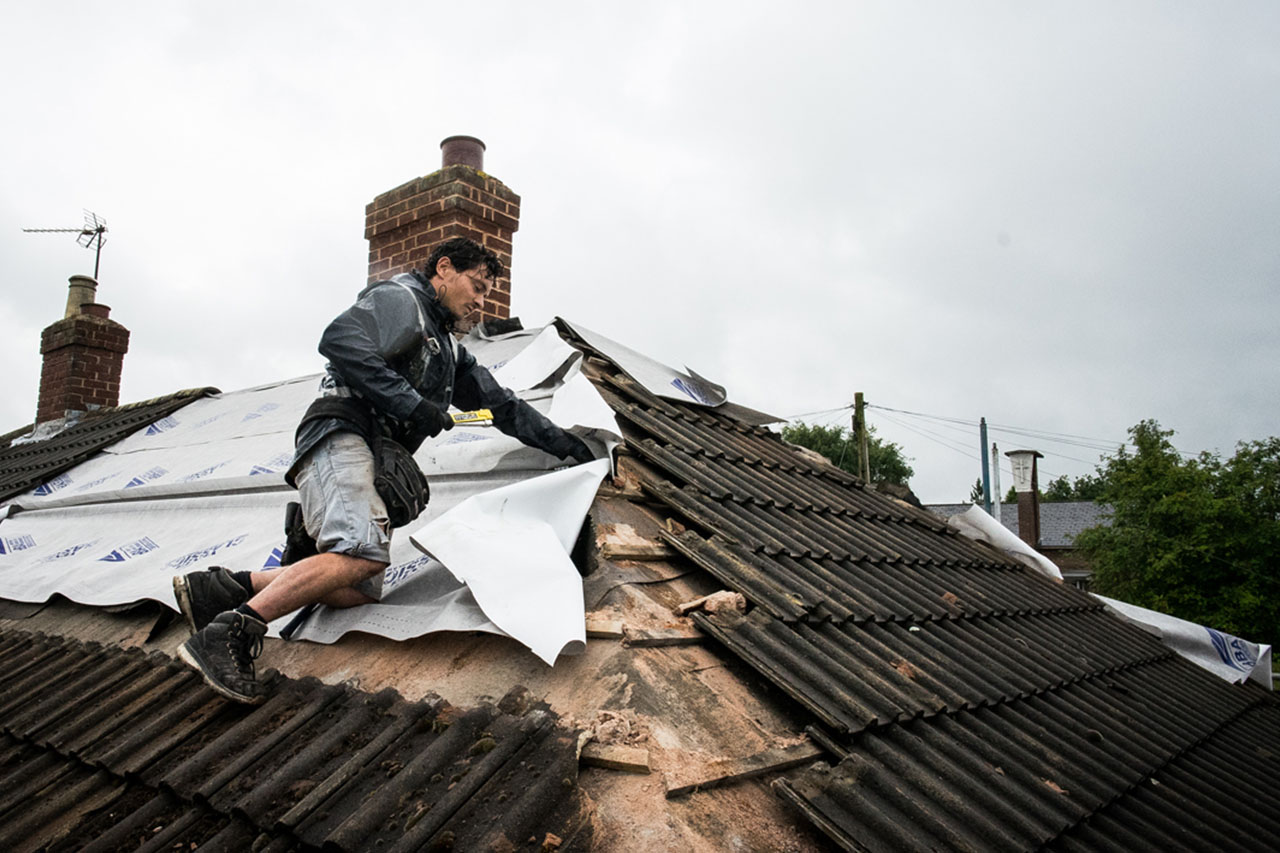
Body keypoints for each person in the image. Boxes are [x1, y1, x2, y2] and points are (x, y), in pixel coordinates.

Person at [173, 237, 594, 703]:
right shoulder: (402, 299)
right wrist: (412, 404)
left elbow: (504, 407)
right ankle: (229, 633)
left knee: (358, 589)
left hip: (370, 450)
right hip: (341, 432)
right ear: (445, 269)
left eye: (486, 294)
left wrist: (571, 446)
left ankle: (223, 588)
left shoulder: (449, 354)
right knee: (362, 552)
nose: (480, 301)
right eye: (476, 286)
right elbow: (339, 341)